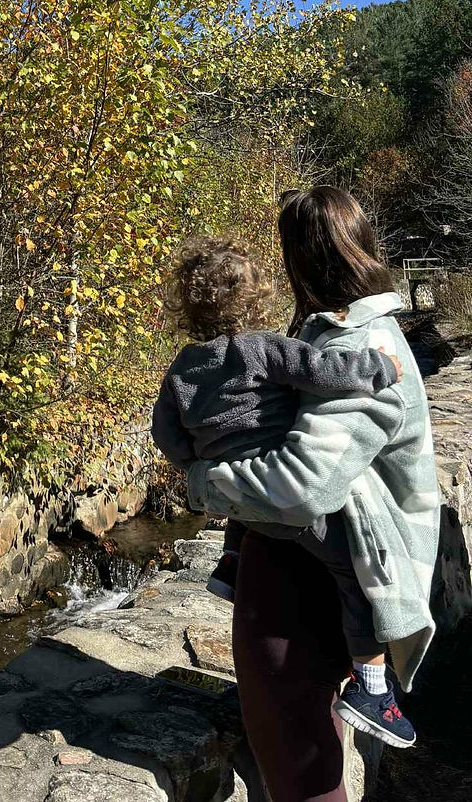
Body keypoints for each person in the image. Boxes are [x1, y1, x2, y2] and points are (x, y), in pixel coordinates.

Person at [184, 188, 439, 801]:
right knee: (295, 741)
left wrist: (205, 483)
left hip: (310, 584)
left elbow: (304, 486)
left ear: (302, 260)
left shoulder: (358, 346)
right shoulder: (343, 335)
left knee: (300, 759)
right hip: (309, 575)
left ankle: (374, 691)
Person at [151, 235, 416, 750]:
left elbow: (167, 435)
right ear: (254, 303)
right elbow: (327, 373)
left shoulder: (181, 368)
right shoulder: (262, 348)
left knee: (239, 493)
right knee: (355, 574)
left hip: (242, 505)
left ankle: (231, 563)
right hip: (289, 506)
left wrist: (197, 463)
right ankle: (373, 690)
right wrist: (383, 367)